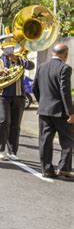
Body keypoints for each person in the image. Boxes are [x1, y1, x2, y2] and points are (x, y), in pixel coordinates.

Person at [0, 32, 35, 160]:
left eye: (12, 47)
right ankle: (0, 148)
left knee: (16, 124)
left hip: (19, 95)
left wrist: (18, 60)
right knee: (4, 121)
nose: (10, 49)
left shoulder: (19, 58)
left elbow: (31, 66)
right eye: (7, 47)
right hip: (1, 96)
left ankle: (12, 151)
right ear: (2, 47)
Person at [33, 43, 73, 178]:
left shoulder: (41, 67)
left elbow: (35, 89)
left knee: (45, 141)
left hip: (44, 110)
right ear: (65, 55)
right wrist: (71, 113)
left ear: (52, 53)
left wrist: (42, 103)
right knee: (68, 140)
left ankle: (46, 170)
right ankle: (64, 168)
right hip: (60, 112)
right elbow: (65, 91)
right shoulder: (65, 68)